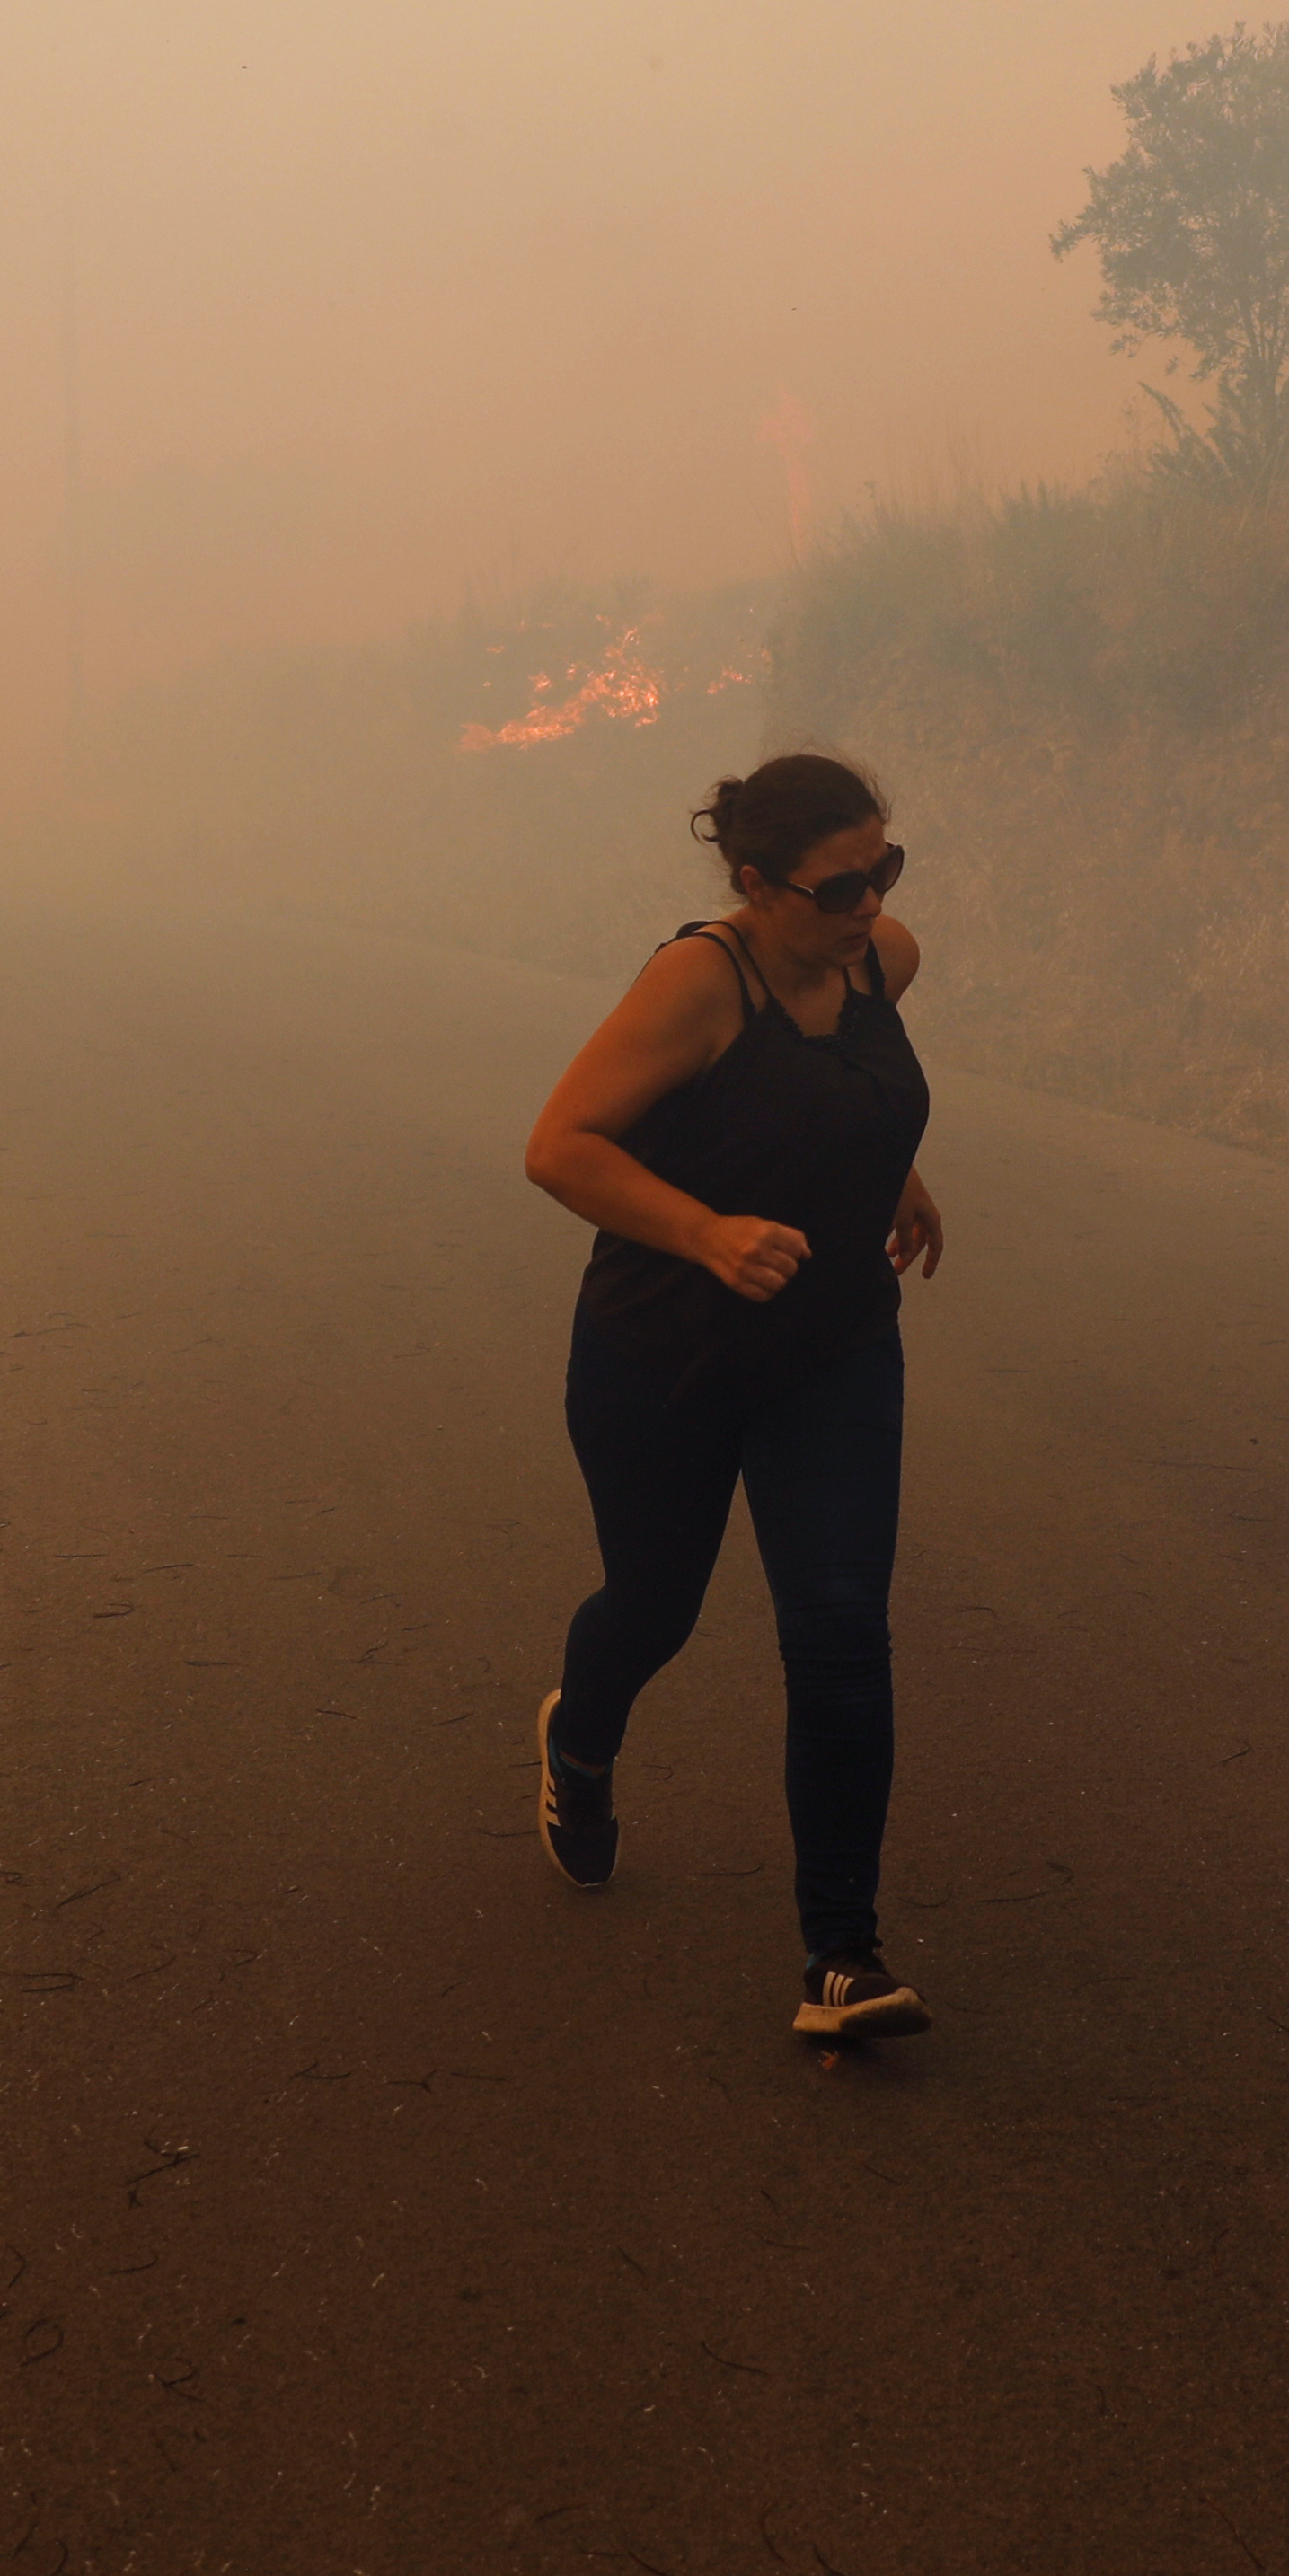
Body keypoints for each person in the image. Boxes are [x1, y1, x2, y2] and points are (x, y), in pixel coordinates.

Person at [516, 752, 945, 2042]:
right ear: (757, 886)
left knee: (837, 1631)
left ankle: (842, 1957)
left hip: (834, 1352)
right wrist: (704, 1233)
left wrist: (893, 1170)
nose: (869, 904)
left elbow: (853, 1098)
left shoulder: (884, 957)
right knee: (654, 1608)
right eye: (838, 887)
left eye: (887, 871)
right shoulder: (701, 981)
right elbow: (561, 1147)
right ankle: (579, 1740)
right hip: (668, 1353)